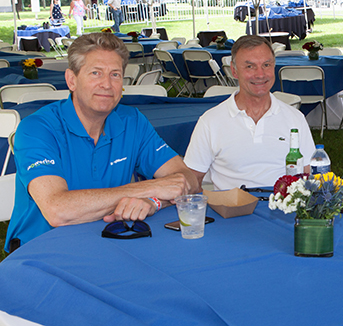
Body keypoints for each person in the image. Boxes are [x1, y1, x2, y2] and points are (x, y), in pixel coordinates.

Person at [5, 33, 199, 253]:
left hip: (115, 242)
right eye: (95, 73)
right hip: (44, 252)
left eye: (115, 75)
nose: (107, 84)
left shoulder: (132, 121)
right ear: (71, 80)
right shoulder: (37, 128)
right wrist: (147, 189)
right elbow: (58, 210)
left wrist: (152, 201)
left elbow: (189, 181)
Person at [184, 35, 315, 190]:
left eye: (266, 65)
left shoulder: (295, 119)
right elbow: (192, 180)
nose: (260, 74)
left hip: (285, 209)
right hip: (231, 210)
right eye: (250, 66)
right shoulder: (210, 122)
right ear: (234, 71)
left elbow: (310, 175)